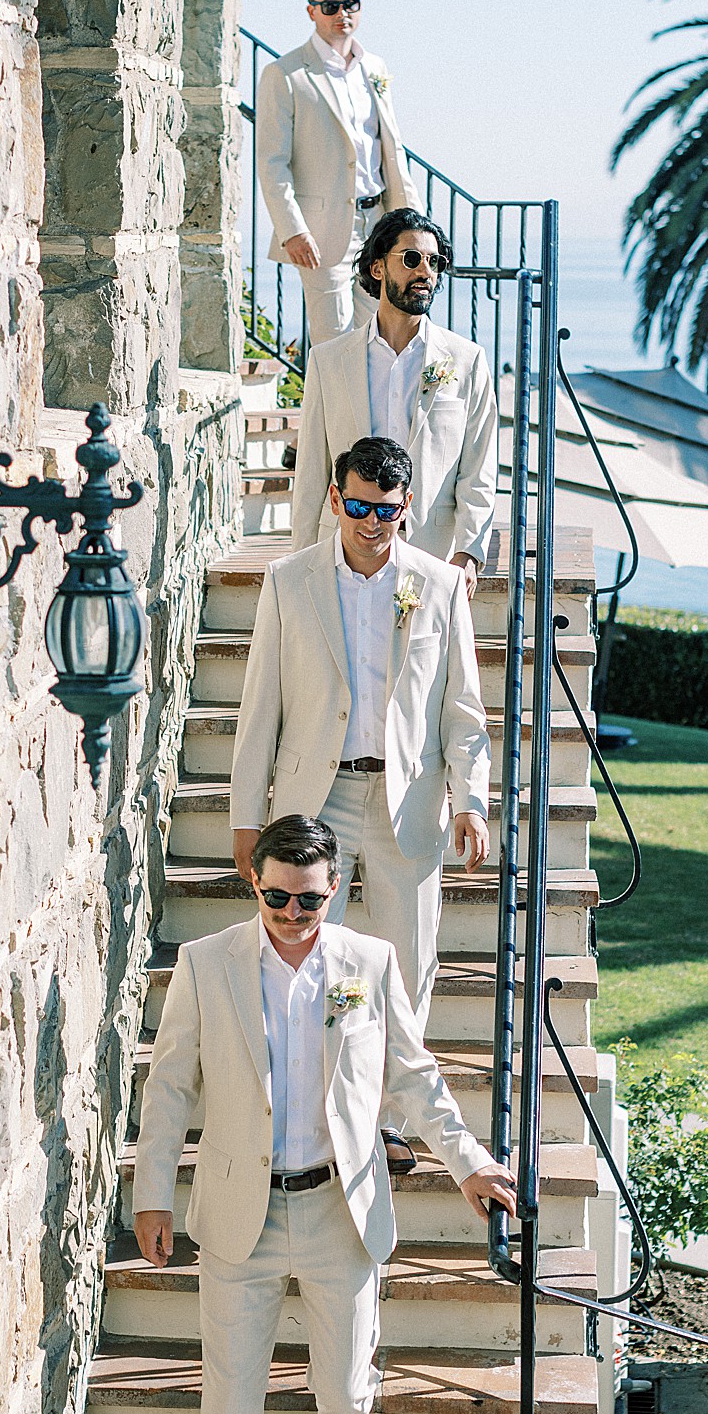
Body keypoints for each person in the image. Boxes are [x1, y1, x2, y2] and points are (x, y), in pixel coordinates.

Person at [132, 814, 518, 1414]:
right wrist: (153, 1195)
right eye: (275, 895)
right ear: (253, 882)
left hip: (339, 1208)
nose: (291, 911)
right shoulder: (205, 965)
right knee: (230, 1392)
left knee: (343, 1393)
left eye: (308, 898)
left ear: (334, 887)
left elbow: (413, 1075)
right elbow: (168, 1087)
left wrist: (468, 1163)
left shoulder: (362, 965)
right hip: (236, 1213)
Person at [230, 435, 490, 1052]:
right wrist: (247, 820)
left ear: (405, 508)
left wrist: (470, 802)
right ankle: (324, 1109)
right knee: (308, 960)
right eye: (357, 506)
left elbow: (463, 710)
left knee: (409, 967)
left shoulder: (441, 585)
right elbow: (260, 710)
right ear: (335, 498)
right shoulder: (289, 581)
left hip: (411, 799)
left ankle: (392, 1117)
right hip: (315, 800)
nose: (370, 523)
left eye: (386, 510)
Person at [290, 208, 498, 598]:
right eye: (411, 258)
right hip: (342, 546)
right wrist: (303, 558)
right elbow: (312, 471)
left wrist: (469, 552)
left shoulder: (466, 361)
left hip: (431, 554)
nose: (425, 271)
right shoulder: (329, 360)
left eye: (434, 262)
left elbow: (479, 468)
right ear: (378, 268)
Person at [256, 0, 419, 347]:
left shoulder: (374, 68)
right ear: (311, 10)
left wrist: (408, 219)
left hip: (379, 222)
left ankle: (362, 411)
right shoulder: (285, 74)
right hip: (320, 229)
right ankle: (323, 410)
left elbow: (392, 148)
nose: (341, 13)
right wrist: (291, 229)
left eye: (349, 3)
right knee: (332, 343)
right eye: (330, 5)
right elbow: (271, 161)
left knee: (376, 338)